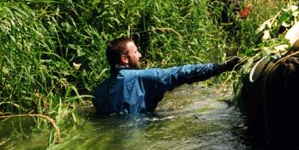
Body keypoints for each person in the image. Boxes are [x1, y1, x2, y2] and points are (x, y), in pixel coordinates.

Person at [93, 36, 240, 116]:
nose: (140, 55)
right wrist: (221, 67)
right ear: (125, 59)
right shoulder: (144, 77)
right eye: (136, 52)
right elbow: (183, 73)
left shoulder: (98, 92)